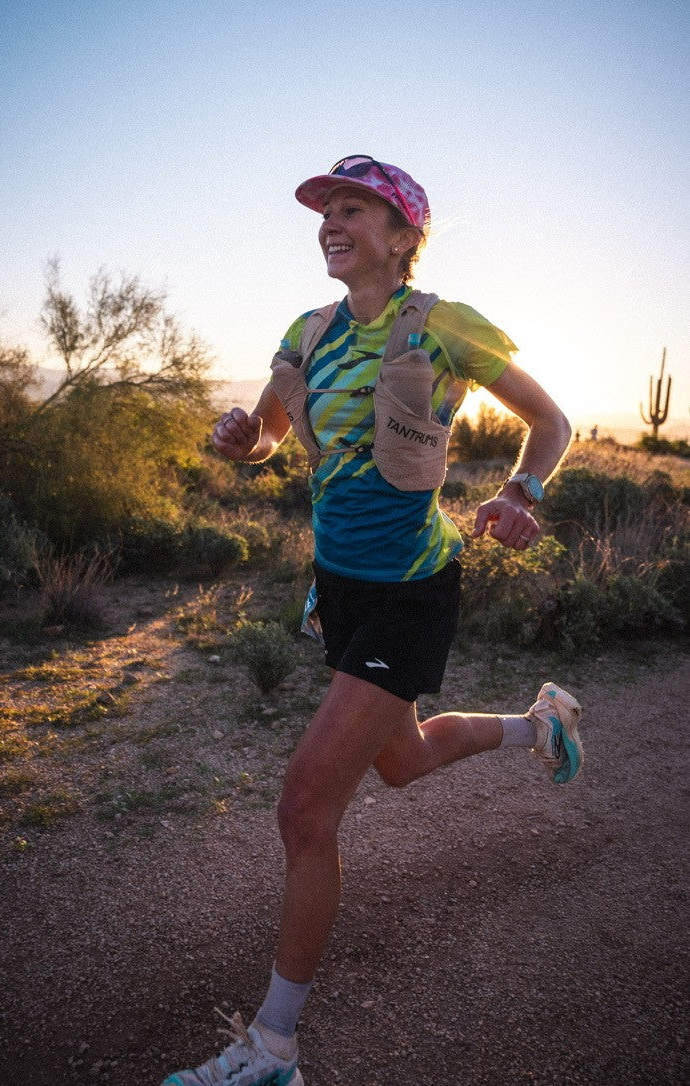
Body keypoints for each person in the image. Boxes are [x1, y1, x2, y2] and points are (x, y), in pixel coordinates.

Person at [162, 156, 583, 1086]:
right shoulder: (307, 332)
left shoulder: (442, 326)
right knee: (406, 758)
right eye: (324, 211)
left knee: (307, 806)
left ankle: (274, 1049)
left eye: (352, 210)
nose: (329, 222)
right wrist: (245, 439)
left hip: (410, 589)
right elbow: (271, 437)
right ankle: (541, 723)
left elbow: (551, 421)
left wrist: (523, 491)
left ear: (402, 237)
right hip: (340, 590)